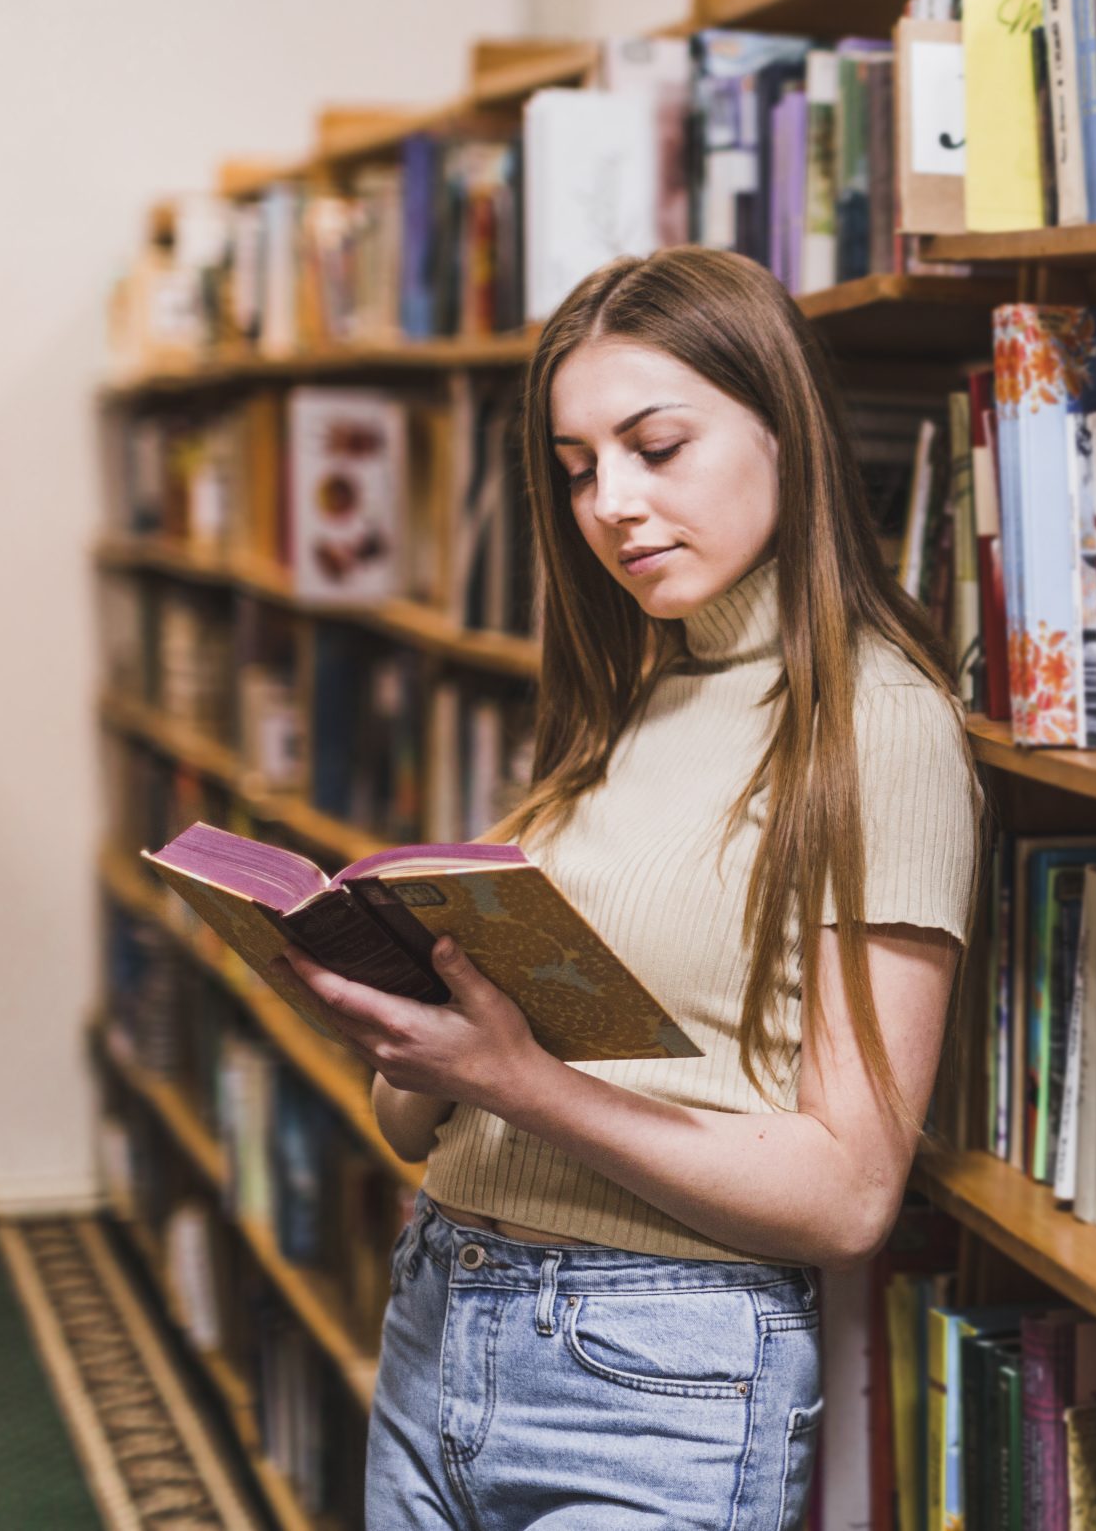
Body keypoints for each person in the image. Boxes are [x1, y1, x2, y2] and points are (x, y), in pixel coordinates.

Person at [284, 246, 981, 1529]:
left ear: (786, 431)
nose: (612, 502)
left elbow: (848, 1195)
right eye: (579, 467)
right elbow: (413, 1123)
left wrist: (515, 1079)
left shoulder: (877, 727)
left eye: (658, 446)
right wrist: (407, 1019)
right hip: (441, 1305)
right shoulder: (629, 699)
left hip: (655, 1372)